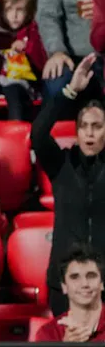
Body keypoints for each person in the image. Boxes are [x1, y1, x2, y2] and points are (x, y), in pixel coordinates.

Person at [30, 53, 105, 315]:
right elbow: (38, 134)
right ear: (76, 130)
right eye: (84, 126)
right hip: (65, 282)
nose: (90, 132)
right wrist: (71, 90)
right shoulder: (60, 165)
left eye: (97, 126)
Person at [36, 0, 105, 99]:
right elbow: (47, 14)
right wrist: (56, 51)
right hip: (71, 56)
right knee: (57, 85)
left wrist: (101, 9)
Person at [35, 245, 105, 342]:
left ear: (102, 283)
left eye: (91, 276)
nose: (84, 284)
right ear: (64, 286)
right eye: (75, 277)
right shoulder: (48, 334)